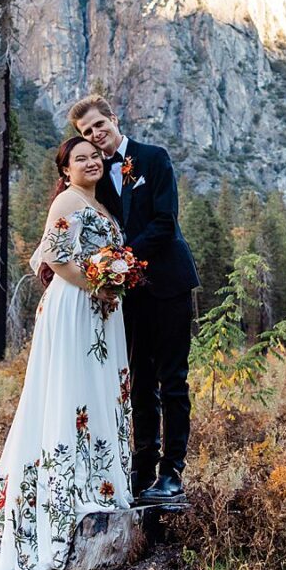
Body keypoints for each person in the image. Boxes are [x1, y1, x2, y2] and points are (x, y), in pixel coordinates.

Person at [0, 136, 134, 570]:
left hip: (103, 311)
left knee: (101, 391)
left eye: (95, 155)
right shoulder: (67, 200)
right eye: (80, 158)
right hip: (76, 307)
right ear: (66, 170)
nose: (91, 161)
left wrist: (115, 281)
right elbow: (57, 259)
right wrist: (96, 286)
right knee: (72, 392)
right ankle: (62, 497)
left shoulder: (100, 205)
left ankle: (99, 483)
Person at [70, 94, 199, 505]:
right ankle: (142, 469)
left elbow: (165, 221)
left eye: (98, 125)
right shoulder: (96, 176)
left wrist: (124, 258)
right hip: (129, 295)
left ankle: (172, 473)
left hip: (169, 285)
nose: (95, 135)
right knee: (139, 383)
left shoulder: (153, 159)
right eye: (87, 133)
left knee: (172, 380)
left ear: (113, 118)